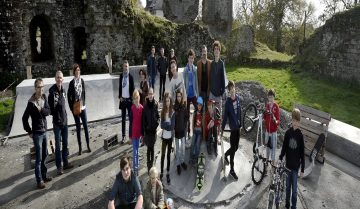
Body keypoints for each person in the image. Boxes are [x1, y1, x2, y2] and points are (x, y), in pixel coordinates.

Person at [22, 78, 52, 189]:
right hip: (37, 134)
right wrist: (29, 131)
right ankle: (39, 180)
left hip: (45, 131)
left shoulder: (44, 97)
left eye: (42, 87)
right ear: (35, 88)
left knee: (45, 155)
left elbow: (48, 111)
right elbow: (24, 118)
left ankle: (44, 176)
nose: (41, 89)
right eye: (39, 87)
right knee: (38, 158)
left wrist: (41, 110)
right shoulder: (31, 103)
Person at [48, 71, 74, 175]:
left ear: (63, 79)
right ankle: (59, 167)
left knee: (65, 144)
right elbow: (50, 110)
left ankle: (66, 163)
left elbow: (64, 106)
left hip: (65, 122)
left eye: (61, 78)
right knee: (58, 146)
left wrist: (65, 118)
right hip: (57, 123)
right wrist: (58, 118)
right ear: (55, 79)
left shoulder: (63, 90)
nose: (59, 79)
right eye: (58, 77)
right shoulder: (52, 93)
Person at [279, 108, 305, 209]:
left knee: (294, 191)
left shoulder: (300, 136)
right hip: (287, 166)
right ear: (292, 120)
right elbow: (284, 147)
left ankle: (293, 206)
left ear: (299, 122)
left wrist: (302, 169)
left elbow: (302, 154)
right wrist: (281, 157)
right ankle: (287, 205)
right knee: (287, 188)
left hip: (295, 168)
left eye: (297, 121)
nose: (295, 123)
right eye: (294, 120)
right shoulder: (288, 133)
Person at [67, 63, 91, 155]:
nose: (78, 72)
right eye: (76, 70)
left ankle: (88, 145)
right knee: (78, 128)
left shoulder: (82, 81)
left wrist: (84, 103)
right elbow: (69, 97)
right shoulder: (71, 83)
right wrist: (71, 108)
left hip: (83, 107)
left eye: (79, 70)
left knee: (85, 126)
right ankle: (80, 147)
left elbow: (84, 92)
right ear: (74, 72)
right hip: (76, 108)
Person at [221, 80, 242, 180]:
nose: (232, 90)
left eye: (233, 88)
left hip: (238, 128)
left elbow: (240, 111)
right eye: (230, 89)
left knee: (236, 147)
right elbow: (225, 117)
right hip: (233, 129)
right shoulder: (228, 103)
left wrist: (241, 124)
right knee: (233, 149)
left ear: (235, 88)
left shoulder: (238, 99)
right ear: (228, 91)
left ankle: (225, 155)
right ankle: (232, 170)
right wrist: (222, 129)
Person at [142, 88, 160, 172]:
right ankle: (148, 164)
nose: (150, 95)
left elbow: (158, 117)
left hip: (153, 131)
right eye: (149, 93)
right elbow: (143, 119)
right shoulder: (145, 106)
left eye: (151, 93)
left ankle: (151, 164)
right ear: (147, 95)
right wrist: (146, 128)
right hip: (148, 132)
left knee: (152, 148)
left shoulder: (156, 104)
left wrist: (156, 123)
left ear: (153, 94)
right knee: (148, 149)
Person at [183, 49, 199, 142]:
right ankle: (188, 132)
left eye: (192, 58)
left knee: (198, 110)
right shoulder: (185, 70)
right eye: (190, 58)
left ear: (193, 59)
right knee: (187, 114)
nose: (191, 60)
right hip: (187, 96)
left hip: (193, 95)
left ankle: (196, 128)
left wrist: (197, 94)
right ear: (188, 58)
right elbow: (183, 84)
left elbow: (196, 82)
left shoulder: (195, 69)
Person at [160, 92, 175, 184]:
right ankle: (161, 172)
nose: (167, 103)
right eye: (166, 101)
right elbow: (161, 125)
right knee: (162, 156)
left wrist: (167, 125)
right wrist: (167, 125)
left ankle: (168, 173)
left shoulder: (173, 112)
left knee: (168, 156)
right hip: (164, 137)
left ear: (170, 101)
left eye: (168, 101)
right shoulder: (162, 112)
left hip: (170, 138)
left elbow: (172, 126)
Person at [119, 60, 135, 144]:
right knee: (123, 119)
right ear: (123, 67)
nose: (125, 67)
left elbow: (133, 88)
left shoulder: (130, 77)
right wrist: (120, 96)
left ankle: (130, 137)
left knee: (131, 120)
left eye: (127, 66)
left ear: (128, 67)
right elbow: (119, 87)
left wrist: (132, 99)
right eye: (124, 66)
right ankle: (123, 136)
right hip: (123, 101)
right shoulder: (121, 76)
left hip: (129, 101)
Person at [263, 89, 280, 165]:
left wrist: (275, 121)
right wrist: (262, 117)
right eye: (269, 97)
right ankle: (267, 160)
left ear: (274, 97)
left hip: (273, 132)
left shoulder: (276, 107)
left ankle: (273, 163)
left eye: (272, 97)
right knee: (267, 146)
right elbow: (264, 116)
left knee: (273, 148)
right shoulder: (267, 106)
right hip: (267, 131)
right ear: (268, 97)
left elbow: (278, 120)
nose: (271, 99)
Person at [209, 40, 226, 119]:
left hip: (219, 94)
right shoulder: (211, 64)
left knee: (218, 117)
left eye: (217, 49)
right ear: (213, 51)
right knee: (211, 116)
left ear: (219, 51)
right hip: (212, 94)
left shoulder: (221, 63)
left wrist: (222, 92)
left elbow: (223, 79)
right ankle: (212, 131)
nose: (216, 50)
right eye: (215, 49)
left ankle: (218, 131)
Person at [173, 89, 188, 175]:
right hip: (176, 131)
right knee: (178, 149)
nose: (179, 98)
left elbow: (186, 117)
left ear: (182, 97)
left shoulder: (184, 106)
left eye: (180, 96)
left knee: (182, 148)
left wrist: (185, 126)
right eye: (177, 96)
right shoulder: (174, 107)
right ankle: (178, 164)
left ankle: (182, 161)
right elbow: (172, 119)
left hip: (182, 131)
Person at [129, 90, 143, 176]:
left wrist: (142, 134)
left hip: (139, 133)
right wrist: (130, 135)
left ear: (139, 98)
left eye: (137, 98)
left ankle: (136, 166)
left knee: (138, 150)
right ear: (133, 100)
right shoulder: (132, 108)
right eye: (134, 98)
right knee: (134, 151)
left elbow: (142, 123)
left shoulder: (142, 108)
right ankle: (134, 168)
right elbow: (130, 123)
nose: (136, 100)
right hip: (134, 133)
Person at [189, 96, 204, 165]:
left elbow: (203, 124)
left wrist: (203, 134)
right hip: (195, 131)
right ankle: (191, 158)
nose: (199, 106)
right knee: (192, 144)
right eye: (198, 105)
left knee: (197, 145)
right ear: (197, 105)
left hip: (200, 132)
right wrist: (191, 130)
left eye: (201, 105)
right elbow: (192, 122)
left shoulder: (202, 114)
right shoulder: (195, 113)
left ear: (202, 106)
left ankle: (195, 158)